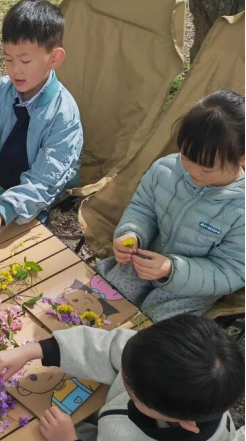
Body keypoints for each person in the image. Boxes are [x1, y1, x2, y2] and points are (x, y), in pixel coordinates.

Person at [0, 315, 245, 441]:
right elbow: (111, 347)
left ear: (185, 423)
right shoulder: (165, 361)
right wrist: (35, 351)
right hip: (106, 436)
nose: (123, 375)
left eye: (132, 392)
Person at [97, 90, 245, 322]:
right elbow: (143, 209)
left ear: (242, 159)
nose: (192, 171)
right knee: (101, 299)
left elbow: (232, 270)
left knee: (151, 329)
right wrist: (131, 234)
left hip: (192, 287)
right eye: (186, 157)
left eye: (206, 168)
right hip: (143, 260)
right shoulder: (164, 170)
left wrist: (171, 270)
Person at [0, 0, 83, 241]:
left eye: (25, 61)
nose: (15, 70)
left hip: (34, 198)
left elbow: (46, 180)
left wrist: (6, 211)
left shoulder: (63, 116)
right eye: (8, 59)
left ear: (54, 58)